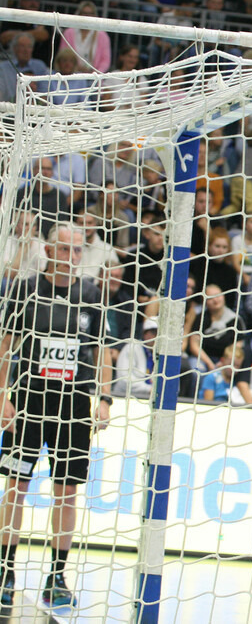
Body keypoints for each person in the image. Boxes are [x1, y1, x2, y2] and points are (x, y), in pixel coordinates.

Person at [0, 225, 111, 608]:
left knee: (67, 492)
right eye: (64, 250)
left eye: (78, 251)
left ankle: (57, 575)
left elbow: (103, 352)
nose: (71, 257)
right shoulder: (25, 289)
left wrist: (105, 399)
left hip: (75, 408)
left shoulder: (92, 294)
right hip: (29, 403)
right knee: (16, 486)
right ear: (49, 249)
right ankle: (4, 572)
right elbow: (5, 347)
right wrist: (2, 396)